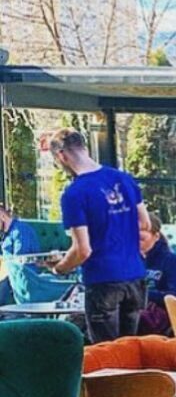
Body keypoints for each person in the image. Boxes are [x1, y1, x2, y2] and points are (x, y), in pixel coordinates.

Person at [47, 129, 150, 342]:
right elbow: (145, 223)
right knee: (129, 348)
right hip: (135, 277)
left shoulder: (74, 194)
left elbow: (83, 250)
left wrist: (60, 268)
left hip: (103, 280)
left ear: (62, 156)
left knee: (106, 352)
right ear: (84, 148)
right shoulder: (123, 179)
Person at [0, 203, 41, 305]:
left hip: (21, 278)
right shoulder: (6, 235)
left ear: (2, 216)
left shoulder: (20, 231)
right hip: (9, 276)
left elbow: (19, 262)